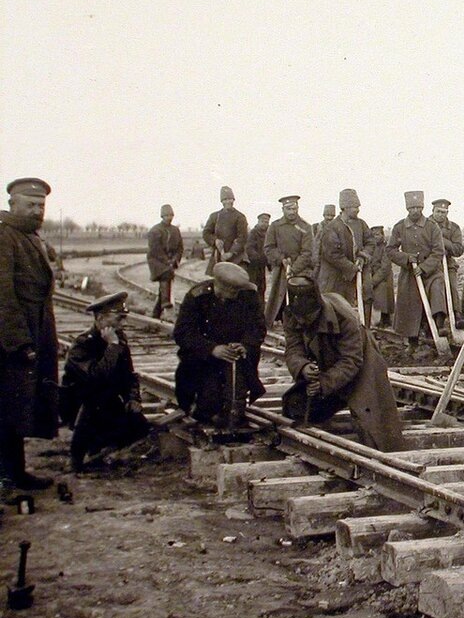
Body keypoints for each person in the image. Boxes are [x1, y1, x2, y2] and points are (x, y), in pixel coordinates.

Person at [280, 275, 405, 451]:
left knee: (376, 431)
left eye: (307, 318)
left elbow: (351, 360)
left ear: (318, 308)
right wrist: (303, 367)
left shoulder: (345, 317)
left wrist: (323, 383)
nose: (302, 322)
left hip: (362, 365)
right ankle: (334, 423)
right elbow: (293, 349)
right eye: (299, 318)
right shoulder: (291, 315)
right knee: (295, 406)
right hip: (327, 367)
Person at [0, 177, 58, 498]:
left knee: (18, 405)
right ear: (13, 205)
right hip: (10, 340)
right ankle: (7, 479)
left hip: (35, 330)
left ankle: (16, 472)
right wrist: (20, 342)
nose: (37, 210)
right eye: (31, 204)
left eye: (41, 205)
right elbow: (3, 295)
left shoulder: (29, 236)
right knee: (7, 406)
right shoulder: (4, 236)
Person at [60, 292, 153, 472]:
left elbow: (129, 375)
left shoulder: (119, 339)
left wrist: (133, 398)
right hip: (78, 405)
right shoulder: (82, 344)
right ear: (101, 318)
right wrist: (112, 347)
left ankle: (104, 449)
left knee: (139, 425)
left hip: (106, 401)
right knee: (94, 401)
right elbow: (96, 377)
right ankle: (76, 456)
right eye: (118, 319)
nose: (122, 324)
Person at [173, 262, 266, 428]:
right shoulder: (197, 297)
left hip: (236, 358)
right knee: (206, 407)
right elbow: (183, 332)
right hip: (204, 359)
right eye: (232, 291)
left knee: (233, 405)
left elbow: (258, 327)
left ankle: (234, 409)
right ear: (220, 286)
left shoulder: (248, 295)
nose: (235, 295)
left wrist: (245, 345)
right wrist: (211, 349)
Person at [386, 191, 448, 344]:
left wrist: (425, 267)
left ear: (422, 208)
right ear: (407, 209)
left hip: (431, 272)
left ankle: (436, 330)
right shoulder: (400, 227)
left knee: (437, 290)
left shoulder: (432, 226)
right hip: (410, 273)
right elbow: (390, 250)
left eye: (418, 208)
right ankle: (412, 340)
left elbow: (438, 251)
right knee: (410, 305)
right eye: (412, 208)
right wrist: (406, 258)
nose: (415, 211)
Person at [318, 188, 374, 323]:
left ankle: (363, 328)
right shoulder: (332, 227)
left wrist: (362, 257)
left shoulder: (361, 224)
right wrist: (351, 267)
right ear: (344, 207)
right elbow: (332, 254)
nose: (358, 210)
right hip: (335, 276)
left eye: (358, 206)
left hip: (356, 273)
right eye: (355, 207)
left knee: (364, 298)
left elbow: (370, 242)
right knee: (336, 307)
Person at [263, 195, 315, 321]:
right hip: (280, 270)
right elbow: (269, 248)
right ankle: (276, 322)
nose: (292, 212)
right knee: (277, 300)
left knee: (301, 302)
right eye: (289, 209)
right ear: (283, 209)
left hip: (301, 271)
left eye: (294, 209)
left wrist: (293, 269)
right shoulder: (275, 226)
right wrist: (281, 259)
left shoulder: (306, 227)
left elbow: (307, 252)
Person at [431, 199, 464, 330]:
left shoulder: (454, 228)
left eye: (444, 212)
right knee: (436, 289)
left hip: (448, 263)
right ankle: (436, 320)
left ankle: (457, 315)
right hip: (430, 264)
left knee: (452, 286)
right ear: (433, 211)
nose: (441, 215)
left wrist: (443, 241)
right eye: (438, 212)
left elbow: (458, 250)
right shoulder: (426, 225)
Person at [146, 203, 183, 318]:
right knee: (166, 274)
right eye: (166, 215)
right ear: (162, 216)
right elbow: (155, 249)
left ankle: (156, 313)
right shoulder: (155, 230)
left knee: (165, 282)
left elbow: (180, 248)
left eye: (171, 215)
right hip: (156, 260)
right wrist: (167, 261)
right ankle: (166, 303)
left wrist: (175, 259)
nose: (169, 218)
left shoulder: (175, 230)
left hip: (170, 261)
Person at [202, 185, 248, 272]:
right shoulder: (214, 216)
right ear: (222, 201)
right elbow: (206, 233)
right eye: (225, 199)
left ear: (233, 200)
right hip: (218, 255)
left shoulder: (240, 217)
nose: (228, 202)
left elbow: (242, 237)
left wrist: (231, 252)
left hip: (237, 257)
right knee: (217, 277)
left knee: (236, 277)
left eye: (230, 199)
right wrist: (214, 241)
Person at [367, 226, 394, 328]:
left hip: (383, 279)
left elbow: (385, 268)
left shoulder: (386, 248)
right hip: (372, 277)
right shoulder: (370, 248)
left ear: (382, 235)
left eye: (378, 234)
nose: (375, 237)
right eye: (373, 235)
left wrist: (373, 281)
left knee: (382, 295)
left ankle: (385, 320)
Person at [245, 212, 271, 303]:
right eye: (262, 221)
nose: (264, 224)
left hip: (263, 265)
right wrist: (258, 258)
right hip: (253, 265)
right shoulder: (253, 233)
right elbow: (249, 248)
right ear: (258, 221)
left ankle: (261, 305)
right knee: (253, 286)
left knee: (262, 287)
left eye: (266, 222)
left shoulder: (269, 233)